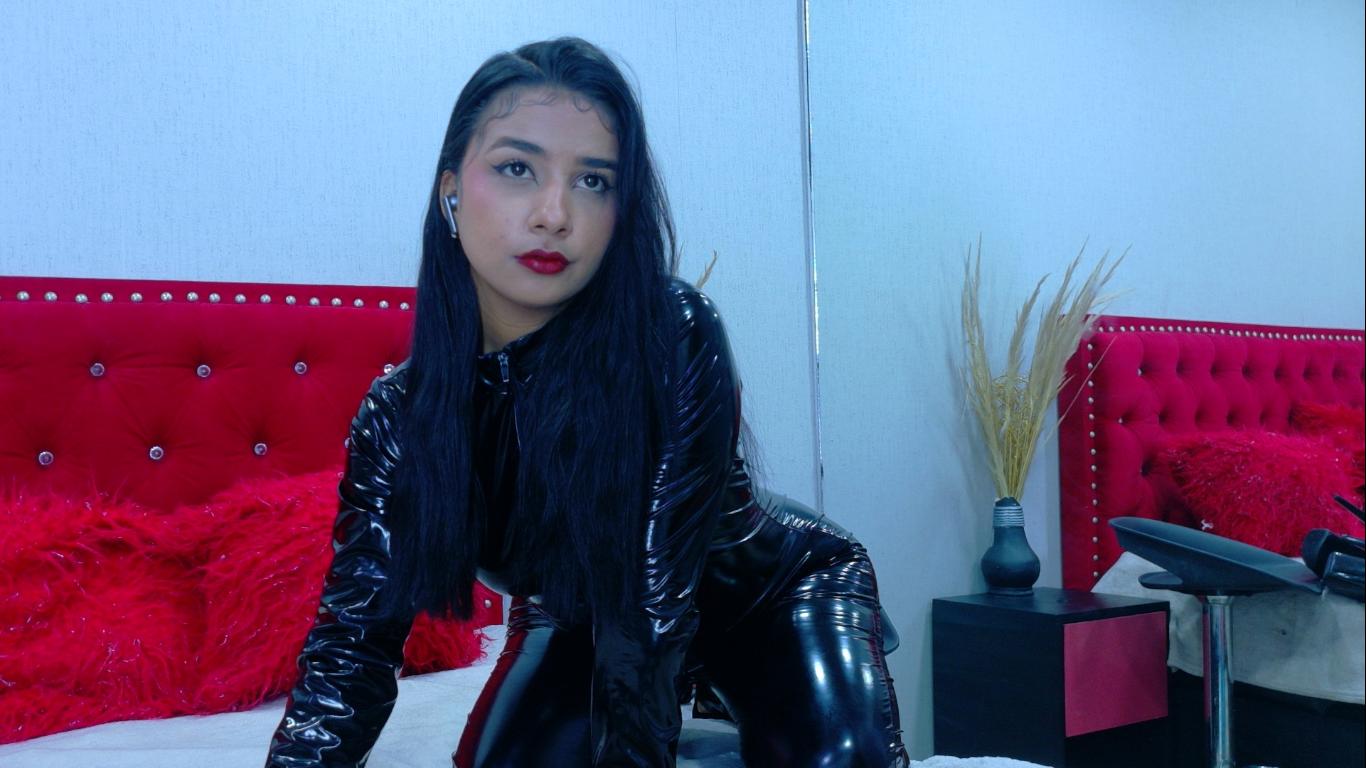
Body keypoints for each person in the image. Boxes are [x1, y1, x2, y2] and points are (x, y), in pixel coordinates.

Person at [264, 37, 908, 768]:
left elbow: (650, 607)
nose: (554, 213)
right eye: (517, 168)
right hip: (575, 617)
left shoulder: (670, 335)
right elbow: (353, 644)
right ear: (451, 192)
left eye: (594, 181)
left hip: (771, 602)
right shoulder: (397, 418)